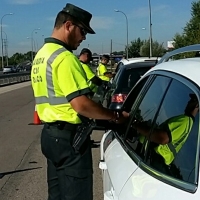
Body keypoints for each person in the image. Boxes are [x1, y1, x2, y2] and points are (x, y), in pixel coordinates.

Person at [31, 3, 129, 200]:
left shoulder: (41, 55)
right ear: (68, 25)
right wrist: (114, 116)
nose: (84, 37)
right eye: (82, 30)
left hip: (50, 136)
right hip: (69, 140)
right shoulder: (64, 58)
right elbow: (81, 104)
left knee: (57, 195)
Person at [133, 94, 199, 178]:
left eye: (192, 100)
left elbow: (162, 138)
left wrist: (135, 125)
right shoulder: (189, 124)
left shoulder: (185, 121)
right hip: (154, 161)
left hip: (151, 158)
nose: (188, 102)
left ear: (197, 105)